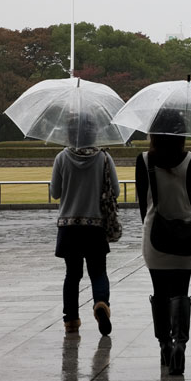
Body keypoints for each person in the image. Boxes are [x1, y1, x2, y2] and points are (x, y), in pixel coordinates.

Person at [136, 111, 191, 375]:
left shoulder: (144, 160)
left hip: (155, 234)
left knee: (160, 292)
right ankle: (180, 343)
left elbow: (143, 204)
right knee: (180, 291)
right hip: (185, 234)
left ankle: (164, 344)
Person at [51, 116, 119, 336]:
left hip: (69, 226)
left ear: (69, 134)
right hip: (95, 225)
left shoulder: (61, 157)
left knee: (72, 275)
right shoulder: (104, 158)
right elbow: (115, 192)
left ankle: (71, 319)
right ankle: (101, 303)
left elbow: (55, 193)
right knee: (98, 272)